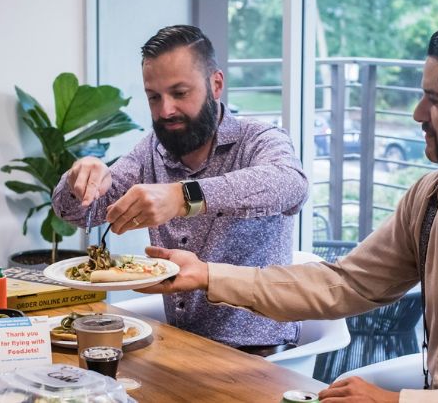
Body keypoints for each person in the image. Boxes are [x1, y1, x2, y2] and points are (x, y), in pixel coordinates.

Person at [141, 13, 438, 402]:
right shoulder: (431, 198)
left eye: (433, 99)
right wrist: (207, 275)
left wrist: (393, 401)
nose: (417, 113)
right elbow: (345, 284)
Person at [52, 25, 309, 353]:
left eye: (180, 93)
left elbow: (290, 185)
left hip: (260, 354)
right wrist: (80, 179)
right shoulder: (151, 151)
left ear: (215, 85)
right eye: (154, 97)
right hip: (181, 345)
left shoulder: (258, 139)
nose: (165, 110)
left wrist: (183, 196)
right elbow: (76, 212)